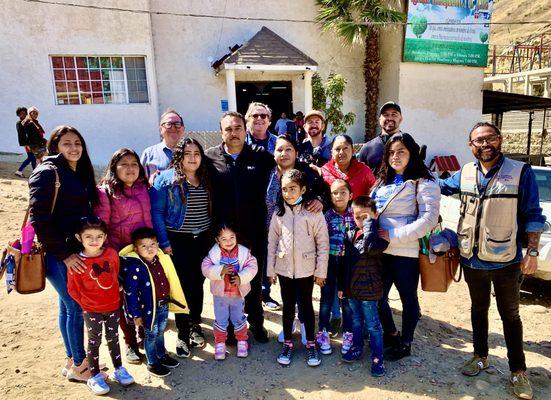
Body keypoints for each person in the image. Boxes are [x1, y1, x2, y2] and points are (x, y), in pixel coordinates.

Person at [439, 122, 545, 400]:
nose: (484, 145)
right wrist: (414, 172)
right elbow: (440, 185)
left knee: (510, 315)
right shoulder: (465, 173)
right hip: (471, 259)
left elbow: (533, 214)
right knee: (478, 310)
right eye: (478, 141)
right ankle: (480, 356)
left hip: (506, 261)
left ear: (499, 140)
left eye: (489, 139)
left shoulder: (520, 172)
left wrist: (531, 251)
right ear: (470, 145)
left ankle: (518, 371)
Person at [29, 125, 99, 382]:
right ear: (55, 146)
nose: (74, 148)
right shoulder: (47, 173)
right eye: (67, 143)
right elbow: (39, 220)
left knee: (66, 306)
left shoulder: (75, 172)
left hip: (73, 250)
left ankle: (72, 360)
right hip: (60, 254)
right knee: (75, 306)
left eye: (78, 143)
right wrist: (64, 254)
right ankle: (81, 365)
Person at [205, 111, 274, 343]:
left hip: (253, 232)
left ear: (245, 130)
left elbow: (290, 169)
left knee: (252, 280)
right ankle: (232, 328)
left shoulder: (261, 156)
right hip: (223, 236)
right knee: (226, 283)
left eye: (237, 128)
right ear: (221, 132)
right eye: (228, 129)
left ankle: (257, 322)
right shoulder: (209, 157)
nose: (233, 133)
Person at [371, 133, 440, 361]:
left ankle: (406, 342)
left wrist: (393, 235)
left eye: (401, 151)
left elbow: (428, 220)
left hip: (405, 252)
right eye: (391, 152)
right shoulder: (383, 180)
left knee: (408, 298)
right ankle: (391, 333)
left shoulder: (424, 182)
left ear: (412, 153)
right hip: (381, 251)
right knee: (377, 297)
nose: (395, 156)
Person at [150, 138, 213, 358]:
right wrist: (164, 242)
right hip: (178, 240)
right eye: (188, 153)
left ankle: (195, 324)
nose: (193, 158)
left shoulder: (207, 177)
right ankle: (182, 333)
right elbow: (156, 212)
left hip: (203, 239)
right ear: (179, 156)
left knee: (198, 284)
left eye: (197, 153)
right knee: (181, 287)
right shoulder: (166, 180)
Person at [267, 169, 329, 367]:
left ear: (303, 189)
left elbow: (323, 244)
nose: (288, 193)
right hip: (284, 269)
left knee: (306, 307)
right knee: (287, 308)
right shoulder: (278, 214)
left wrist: (320, 272)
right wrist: (270, 270)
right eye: (284, 189)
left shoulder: (313, 213)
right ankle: (287, 343)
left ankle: (311, 344)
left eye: (293, 188)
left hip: (306, 270)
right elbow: (272, 243)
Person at [95, 148, 152, 364]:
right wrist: (111, 258)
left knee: (145, 296)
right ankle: (129, 341)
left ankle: (144, 335)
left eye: (134, 164)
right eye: (124, 164)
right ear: (114, 168)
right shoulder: (105, 193)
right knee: (124, 300)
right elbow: (102, 227)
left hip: (144, 254)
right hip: (119, 255)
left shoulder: (145, 187)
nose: (130, 169)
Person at [67, 217, 135, 395]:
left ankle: (119, 368)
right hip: (91, 310)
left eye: (99, 236)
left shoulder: (112, 254)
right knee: (94, 341)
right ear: (78, 237)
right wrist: (87, 305)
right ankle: (95, 375)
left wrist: (116, 291)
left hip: (113, 305)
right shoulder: (76, 262)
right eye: (88, 236)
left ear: (105, 237)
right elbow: (73, 289)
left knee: (113, 338)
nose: (94, 241)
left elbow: (115, 274)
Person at [265, 134, 327, 312]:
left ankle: (303, 317)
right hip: (271, 233)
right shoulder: (266, 172)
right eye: (279, 149)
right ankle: (281, 310)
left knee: (301, 287)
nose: (283, 153)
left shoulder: (307, 173)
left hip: (299, 240)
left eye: (288, 149)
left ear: (296, 152)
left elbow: (325, 190)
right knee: (283, 284)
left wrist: (321, 200)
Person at [120, 227, 187, 378]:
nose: (149, 249)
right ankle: (152, 362)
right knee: (151, 334)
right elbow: (130, 293)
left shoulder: (161, 259)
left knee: (160, 331)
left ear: (157, 244)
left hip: (162, 305)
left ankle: (161, 355)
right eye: (144, 246)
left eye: (153, 244)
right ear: (136, 249)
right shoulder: (135, 267)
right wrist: (135, 315)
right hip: (148, 309)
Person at [338, 196, 387, 377]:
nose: (361, 221)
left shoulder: (379, 236)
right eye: (357, 217)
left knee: (373, 325)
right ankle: (357, 347)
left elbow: (369, 247)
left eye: (365, 216)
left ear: (375, 215)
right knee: (356, 321)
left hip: (370, 290)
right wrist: (342, 286)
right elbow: (345, 264)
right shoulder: (350, 234)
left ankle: (377, 358)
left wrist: (370, 226)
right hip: (352, 289)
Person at [201, 224, 258, 360]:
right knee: (221, 319)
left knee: (239, 318)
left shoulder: (243, 252)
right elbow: (205, 267)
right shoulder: (214, 254)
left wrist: (241, 277)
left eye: (232, 237)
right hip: (220, 295)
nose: (229, 241)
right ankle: (220, 343)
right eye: (224, 239)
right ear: (217, 240)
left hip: (237, 294)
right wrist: (220, 270)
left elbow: (252, 265)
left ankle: (242, 341)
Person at [317, 179, 355, 356]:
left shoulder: (355, 215)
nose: (339, 196)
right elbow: (319, 243)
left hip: (348, 264)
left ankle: (348, 334)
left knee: (347, 301)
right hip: (329, 262)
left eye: (343, 192)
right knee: (325, 299)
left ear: (350, 195)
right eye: (334, 193)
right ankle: (323, 332)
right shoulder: (326, 216)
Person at [321, 134, 376, 199]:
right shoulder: (324, 172)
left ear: (353, 151)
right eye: (337, 149)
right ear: (331, 152)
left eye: (345, 148)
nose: (341, 152)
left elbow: (375, 194)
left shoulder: (364, 171)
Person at [358, 101, 404, 173]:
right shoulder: (367, 148)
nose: (389, 118)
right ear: (379, 120)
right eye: (386, 115)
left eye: (394, 115)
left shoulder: (409, 145)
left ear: (400, 119)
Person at [140, 109, 185, 179]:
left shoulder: (193, 154)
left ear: (183, 129)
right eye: (168, 124)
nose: (173, 127)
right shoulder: (148, 154)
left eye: (177, 124)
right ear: (161, 129)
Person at [15, 106, 36, 177]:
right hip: (27, 144)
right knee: (31, 157)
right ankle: (19, 171)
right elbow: (21, 135)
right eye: (21, 113)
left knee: (32, 158)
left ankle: (34, 172)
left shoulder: (26, 122)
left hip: (31, 143)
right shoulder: (19, 123)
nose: (23, 115)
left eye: (24, 113)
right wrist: (26, 145)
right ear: (18, 115)